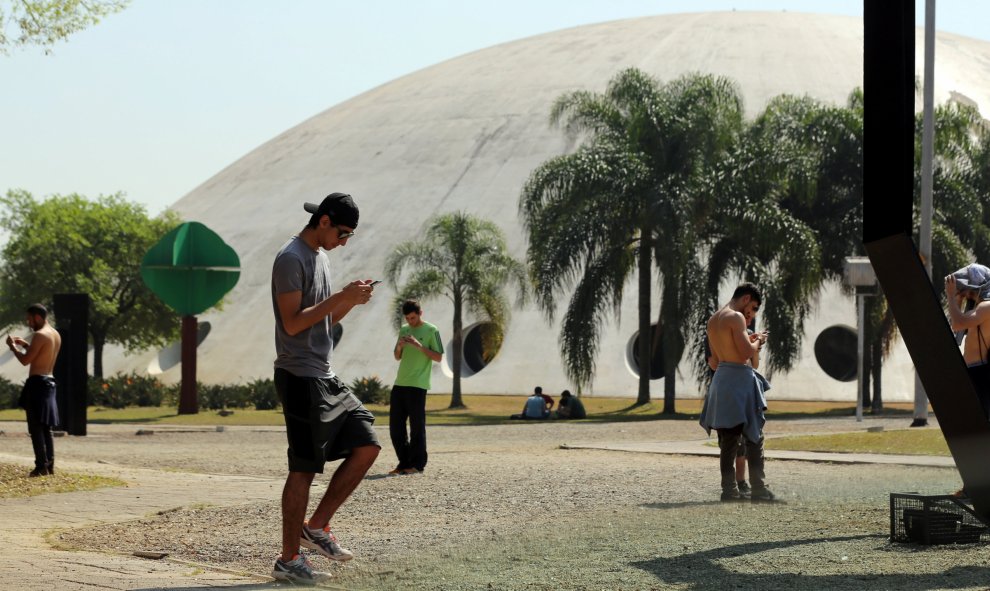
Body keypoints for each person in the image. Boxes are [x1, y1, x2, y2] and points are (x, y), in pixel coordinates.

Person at [270, 192, 381, 585]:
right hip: (298, 375)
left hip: (323, 372)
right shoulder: (290, 258)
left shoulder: (321, 257)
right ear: (324, 221)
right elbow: (293, 324)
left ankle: (316, 526)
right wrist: (341, 296)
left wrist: (351, 301)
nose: (345, 241)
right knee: (303, 469)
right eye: (344, 232)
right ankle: (288, 559)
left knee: (367, 444)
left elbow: (325, 320)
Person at [699, 283, 774, 503]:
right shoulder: (736, 318)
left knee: (729, 440)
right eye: (751, 307)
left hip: (721, 380)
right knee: (754, 436)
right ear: (746, 298)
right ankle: (759, 489)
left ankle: (729, 491)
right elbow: (744, 354)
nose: (749, 313)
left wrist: (745, 342)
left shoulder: (713, 321)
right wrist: (759, 340)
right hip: (740, 381)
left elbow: (714, 362)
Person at [388, 299, 443, 476]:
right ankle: (403, 463)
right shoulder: (404, 329)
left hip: (418, 385)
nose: (410, 322)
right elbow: (397, 356)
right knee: (395, 427)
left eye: (413, 318)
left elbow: (438, 357)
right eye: (407, 318)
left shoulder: (432, 330)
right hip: (400, 383)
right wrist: (401, 345)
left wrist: (419, 346)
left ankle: (417, 464)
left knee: (417, 427)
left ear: (420, 313)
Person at [7, 303, 61, 478]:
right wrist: (24, 344)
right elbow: (41, 354)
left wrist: (13, 347)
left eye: (30, 319)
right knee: (47, 427)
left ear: (37, 317)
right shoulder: (55, 334)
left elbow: (26, 360)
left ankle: (40, 466)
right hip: (50, 381)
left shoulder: (39, 335)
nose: (28, 323)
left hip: (37, 383)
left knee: (36, 427)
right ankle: (49, 465)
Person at [945, 263, 990, 420]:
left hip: (980, 372)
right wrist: (958, 298)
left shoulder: (986, 307)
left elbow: (958, 323)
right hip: (974, 370)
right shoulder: (979, 306)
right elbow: (956, 327)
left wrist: (951, 296)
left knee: (978, 422)